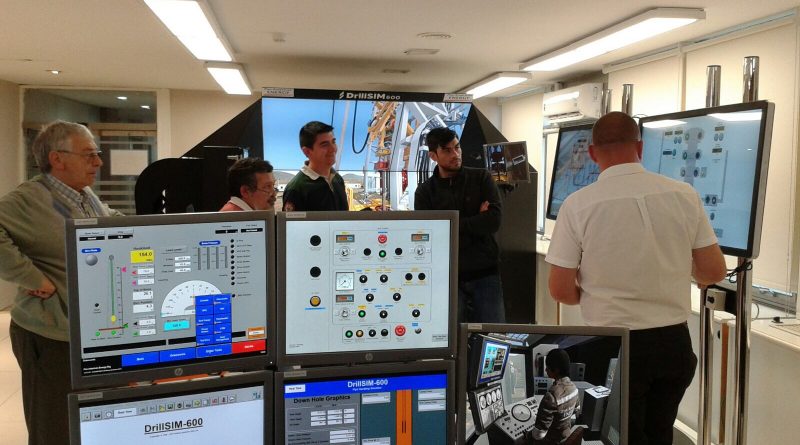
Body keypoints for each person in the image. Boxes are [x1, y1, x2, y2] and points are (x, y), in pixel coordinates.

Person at [545, 112, 727, 445]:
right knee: (660, 434)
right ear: (640, 147)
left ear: (592, 153)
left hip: (614, 345)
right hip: (673, 343)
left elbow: (560, 289)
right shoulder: (684, 194)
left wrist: (592, 294)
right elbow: (714, 271)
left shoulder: (577, 205)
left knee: (617, 435)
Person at [0, 121, 122, 445]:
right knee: (53, 428)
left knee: (91, 422)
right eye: (89, 155)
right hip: (49, 335)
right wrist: (29, 275)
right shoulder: (31, 197)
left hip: (86, 334)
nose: (98, 162)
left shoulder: (84, 196)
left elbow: (105, 222)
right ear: (57, 159)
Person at [414, 127, 505, 323]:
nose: (455, 154)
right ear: (433, 155)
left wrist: (450, 225)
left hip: (486, 274)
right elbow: (428, 237)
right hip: (447, 278)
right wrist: (475, 220)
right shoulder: (424, 192)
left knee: (493, 339)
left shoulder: (482, 178)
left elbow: (493, 221)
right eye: (447, 150)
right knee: (450, 341)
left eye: (457, 147)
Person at [282, 121, 348, 211]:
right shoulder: (296, 189)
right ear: (307, 152)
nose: (333, 149)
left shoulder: (338, 179)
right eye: (325, 145)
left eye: (333, 142)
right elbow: (291, 224)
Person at [527, 349, 580, 444]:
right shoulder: (574, 389)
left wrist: (529, 434)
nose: (546, 369)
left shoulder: (551, 396)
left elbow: (539, 435)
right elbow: (575, 412)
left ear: (556, 370)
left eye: (547, 367)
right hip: (566, 437)